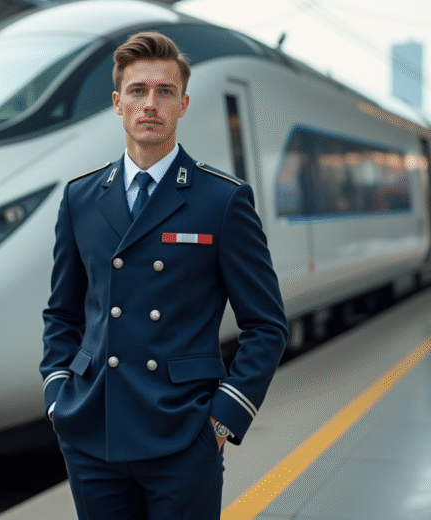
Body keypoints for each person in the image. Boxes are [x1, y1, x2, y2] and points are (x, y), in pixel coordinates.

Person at [40, 32, 288, 519]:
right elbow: (62, 312)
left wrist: (223, 420)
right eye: (137, 91)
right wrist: (57, 393)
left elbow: (267, 325)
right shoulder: (81, 198)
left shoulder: (222, 200)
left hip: (182, 436)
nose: (150, 103)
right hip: (93, 432)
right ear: (117, 103)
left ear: (183, 104)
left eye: (164, 91)